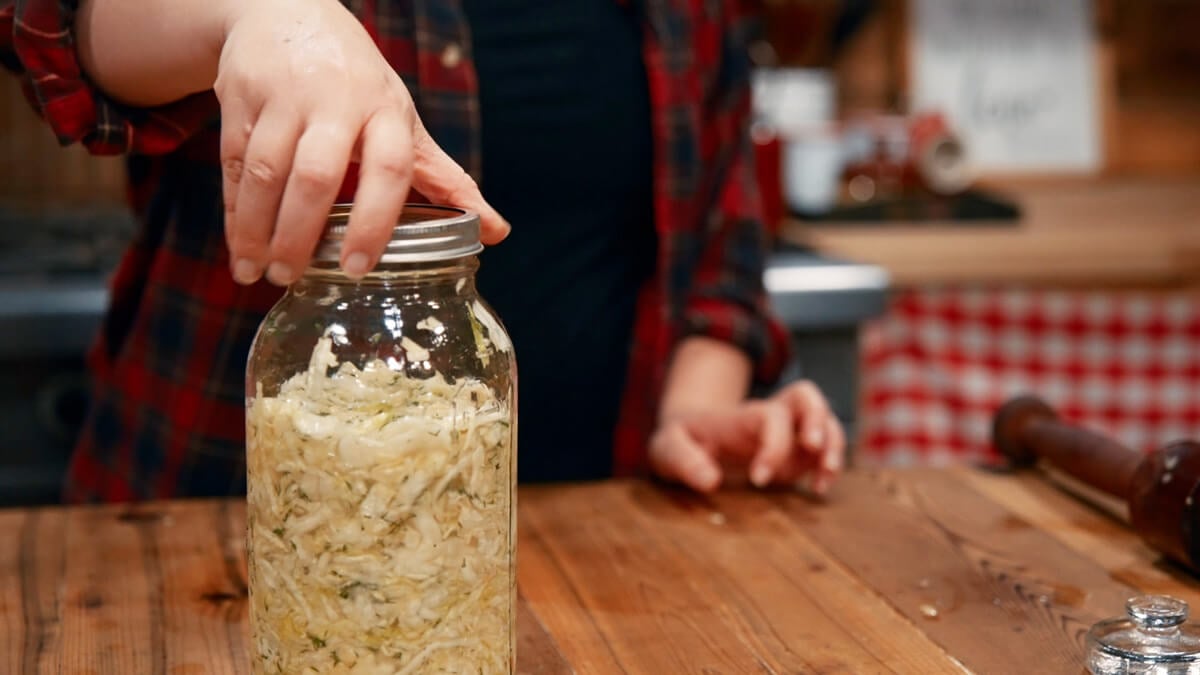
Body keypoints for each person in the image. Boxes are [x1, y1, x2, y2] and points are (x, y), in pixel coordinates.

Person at [0, 0, 845, 503]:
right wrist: (255, 13)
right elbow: (61, 28)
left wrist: (696, 415)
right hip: (222, 531)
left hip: (598, 534)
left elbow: (719, 247)